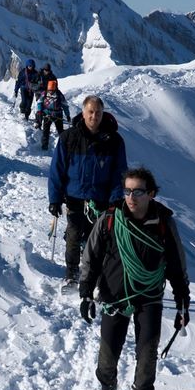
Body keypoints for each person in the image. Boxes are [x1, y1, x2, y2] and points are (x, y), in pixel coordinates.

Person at [79, 167, 191, 390]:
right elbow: (92, 258)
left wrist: (183, 303)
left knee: (147, 352)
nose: (131, 197)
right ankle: (108, 388)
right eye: (127, 191)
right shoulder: (110, 219)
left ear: (151, 194)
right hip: (114, 296)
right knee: (108, 352)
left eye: (138, 191)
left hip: (149, 297)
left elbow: (176, 266)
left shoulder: (163, 223)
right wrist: (86, 293)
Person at [48, 95, 127, 286]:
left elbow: (120, 173)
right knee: (74, 236)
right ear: (83, 113)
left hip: (102, 200)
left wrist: (117, 199)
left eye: (98, 112)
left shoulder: (114, 141)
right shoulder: (69, 138)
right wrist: (55, 199)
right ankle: (71, 273)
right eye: (90, 112)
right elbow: (57, 169)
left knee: (97, 240)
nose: (94, 116)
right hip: (74, 197)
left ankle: (93, 275)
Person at [35, 80, 71, 150]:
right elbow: (39, 102)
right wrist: (39, 111)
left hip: (58, 115)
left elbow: (65, 105)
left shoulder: (59, 95)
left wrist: (67, 115)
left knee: (61, 132)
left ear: (55, 89)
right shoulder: (44, 93)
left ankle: (64, 147)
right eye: (49, 90)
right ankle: (44, 146)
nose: (50, 92)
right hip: (47, 115)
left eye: (52, 90)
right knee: (45, 131)